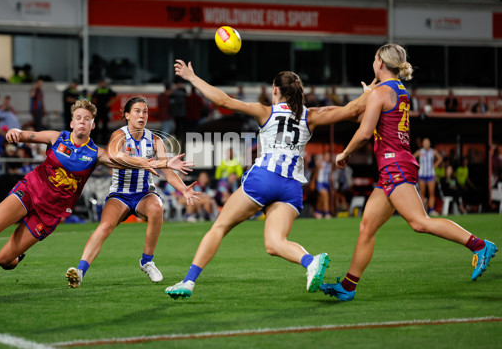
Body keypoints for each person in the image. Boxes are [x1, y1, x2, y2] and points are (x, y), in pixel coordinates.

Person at [164, 59, 375, 299]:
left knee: (220, 227)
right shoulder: (311, 116)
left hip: (263, 179)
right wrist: (369, 92)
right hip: (291, 187)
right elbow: (351, 110)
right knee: (274, 243)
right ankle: (310, 261)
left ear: (275, 90)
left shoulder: (265, 111)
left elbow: (222, 100)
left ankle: (188, 282)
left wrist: (192, 78)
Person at [0, 99, 192, 290]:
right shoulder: (57, 138)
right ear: (71, 122)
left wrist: (163, 163)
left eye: (86, 119)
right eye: (77, 117)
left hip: (50, 213)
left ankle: (17, 255)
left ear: (92, 125)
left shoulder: (97, 154)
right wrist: (14, 134)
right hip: (30, 191)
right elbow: (25, 135)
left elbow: (128, 159)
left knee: (3, 260)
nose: (82, 121)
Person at [319, 44, 497, 302]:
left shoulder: (381, 92)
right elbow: (372, 121)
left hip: (394, 164)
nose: (373, 62)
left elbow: (365, 131)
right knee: (367, 226)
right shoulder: (399, 90)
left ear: (380, 62)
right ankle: (348, 285)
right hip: (394, 165)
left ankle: (480, 245)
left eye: (374, 58)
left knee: (419, 222)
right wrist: (367, 96)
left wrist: (344, 153)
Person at [65, 97, 199, 288]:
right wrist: (146, 162)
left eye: (145, 111)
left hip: (144, 193)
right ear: (126, 115)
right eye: (137, 111)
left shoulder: (155, 139)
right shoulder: (119, 135)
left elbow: (168, 172)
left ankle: (147, 261)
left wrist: (183, 189)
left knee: (157, 207)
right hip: (119, 195)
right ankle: (79, 272)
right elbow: (114, 155)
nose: (142, 115)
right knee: (104, 227)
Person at [414, 137, 442, 215]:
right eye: (425, 143)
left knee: (431, 193)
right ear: (423, 144)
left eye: (428, 143)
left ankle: (431, 210)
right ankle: (423, 211)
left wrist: (434, 165)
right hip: (422, 174)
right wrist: (417, 165)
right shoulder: (420, 152)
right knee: (422, 193)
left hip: (431, 174)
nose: (426, 144)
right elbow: (412, 158)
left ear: (429, 144)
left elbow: (440, 158)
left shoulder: (433, 151)